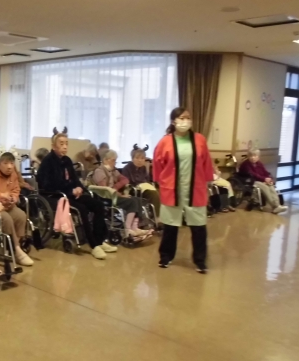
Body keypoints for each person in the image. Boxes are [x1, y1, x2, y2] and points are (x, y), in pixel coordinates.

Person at [36, 129, 117, 260]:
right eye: (61, 143)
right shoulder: (47, 162)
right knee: (81, 209)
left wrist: (79, 187)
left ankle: (100, 240)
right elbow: (48, 185)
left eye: (66, 143)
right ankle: (94, 245)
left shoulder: (67, 160)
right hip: (55, 196)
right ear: (53, 146)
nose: (65, 146)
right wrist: (70, 190)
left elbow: (74, 178)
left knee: (98, 205)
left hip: (70, 193)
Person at [153, 107, 214, 273]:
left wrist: (208, 181)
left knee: (199, 226)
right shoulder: (165, 142)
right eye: (181, 118)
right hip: (172, 189)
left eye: (188, 117)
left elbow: (206, 162)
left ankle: (200, 260)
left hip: (195, 189)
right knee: (170, 226)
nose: (185, 121)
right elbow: (157, 164)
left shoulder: (199, 140)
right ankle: (165, 256)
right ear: (174, 121)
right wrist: (160, 182)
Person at [0, 152, 35, 266]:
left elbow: (16, 188)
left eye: (11, 163)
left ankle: (14, 247)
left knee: (21, 215)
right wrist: (0, 195)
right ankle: (17, 250)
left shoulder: (13, 174)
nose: (9, 166)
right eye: (6, 163)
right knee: (7, 219)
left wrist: (14, 197)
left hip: (8, 205)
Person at [90, 150, 153, 238]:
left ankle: (134, 227)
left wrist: (115, 187)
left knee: (137, 200)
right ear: (105, 160)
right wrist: (120, 194)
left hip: (114, 194)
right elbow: (105, 190)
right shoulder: (99, 172)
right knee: (132, 201)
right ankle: (128, 229)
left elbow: (125, 180)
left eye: (115, 160)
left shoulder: (113, 171)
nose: (114, 163)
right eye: (113, 160)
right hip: (106, 197)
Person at [239, 149, 287, 214]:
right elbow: (253, 174)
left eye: (255, 156)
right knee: (265, 187)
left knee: (271, 186)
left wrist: (269, 179)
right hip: (250, 181)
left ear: (258, 157)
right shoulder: (246, 164)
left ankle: (277, 205)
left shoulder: (259, 163)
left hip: (260, 180)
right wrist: (264, 179)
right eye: (251, 156)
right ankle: (275, 206)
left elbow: (265, 172)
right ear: (248, 157)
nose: (253, 157)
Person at [121, 147, 162, 220]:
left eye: (142, 158)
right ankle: (156, 217)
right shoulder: (126, 169)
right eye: (137, 158)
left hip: (144, 189)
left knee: (159, 191)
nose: (139, 160)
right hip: (133, 190)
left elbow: (147, 179)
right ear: (132, 158)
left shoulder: (143, 168)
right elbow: (126, 183)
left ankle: (157, 215)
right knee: (153, 193)